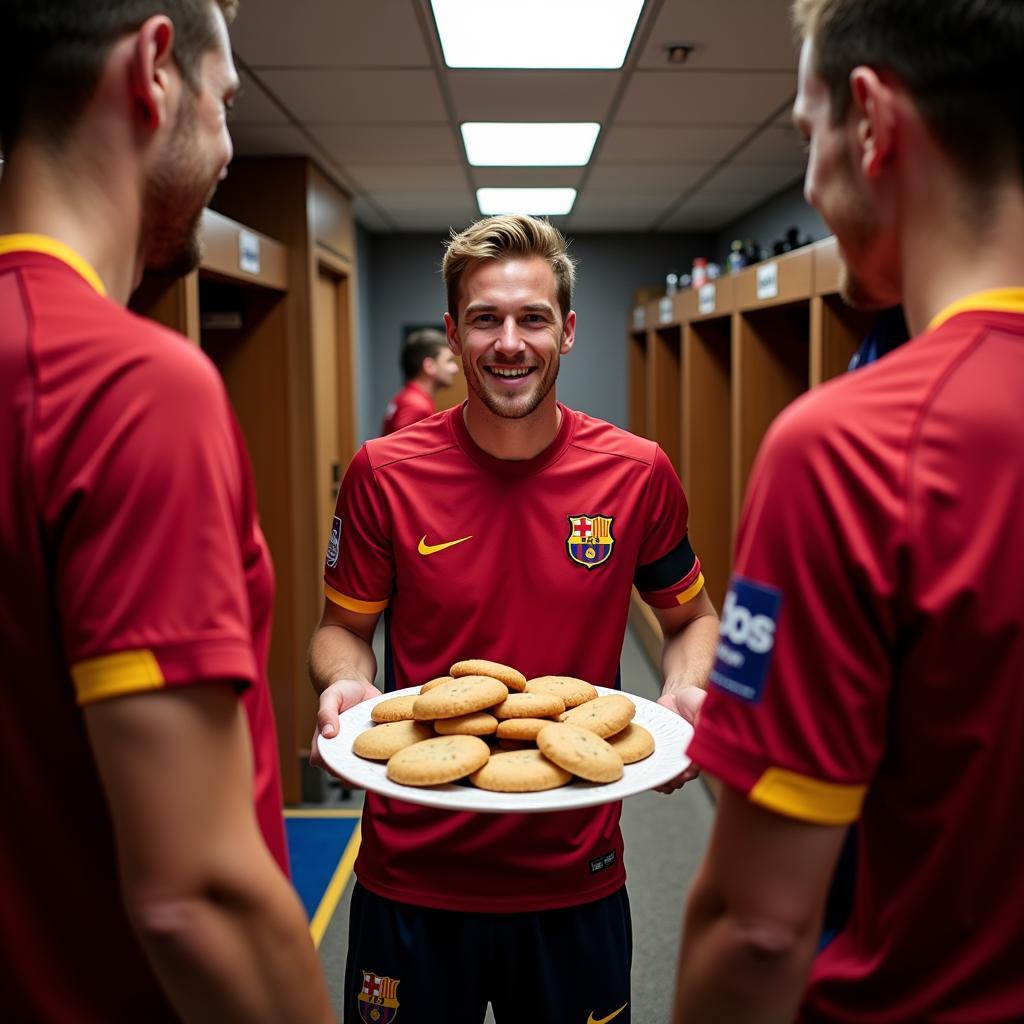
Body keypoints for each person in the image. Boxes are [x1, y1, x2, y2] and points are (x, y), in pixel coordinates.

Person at [673, 1, 1024, 1021]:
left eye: (804, 135)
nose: (810, 183)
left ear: (869, 124)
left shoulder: (853, 447)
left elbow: (758, 928)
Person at [0, 2, 334, 1021]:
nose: (231, 147)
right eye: (226, 102)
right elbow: (197, 897)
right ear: (155, 70)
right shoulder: (129, 386)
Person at [310, 214, 719, 1024]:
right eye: (485, 319)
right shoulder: (383, 472)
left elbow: (692, 620)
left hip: (576, 870)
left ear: (566, 332)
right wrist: (347, 684)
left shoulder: (636, 473)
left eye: (532, 318)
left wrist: (683, 696)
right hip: (411, 872)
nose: (509, 342)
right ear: (454, 333)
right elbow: (341, 630)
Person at [381, 327, 460, 434]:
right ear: (429, 366)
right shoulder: (416, 406)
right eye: (449, 361)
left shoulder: (408, 398)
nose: (455, 369)